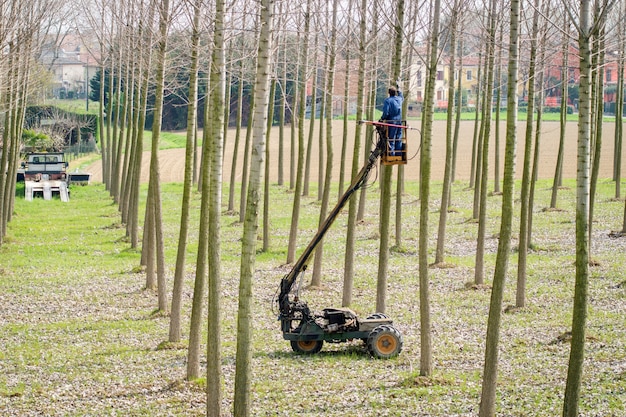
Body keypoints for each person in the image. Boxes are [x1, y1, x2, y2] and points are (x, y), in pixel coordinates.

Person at [380, 81, 403, 156]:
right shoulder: (399, 99)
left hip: (391, 122)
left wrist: (382, 119)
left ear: (389, 93)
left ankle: (391, 154)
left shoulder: (388, 101)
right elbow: (401, 96)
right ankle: (398, 153)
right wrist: (399, 88)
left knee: (391, 138)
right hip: (399, 122)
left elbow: (386, 112)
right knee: (398, 137)